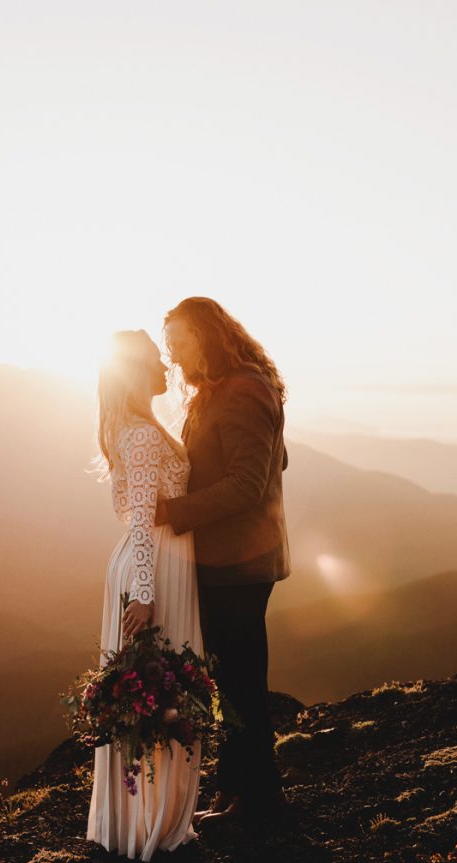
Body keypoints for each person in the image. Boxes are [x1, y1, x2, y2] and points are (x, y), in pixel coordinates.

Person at [156, 296, 291, 824]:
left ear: (207, 337)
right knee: (231, 677)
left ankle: (257, 799)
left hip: (241, 562)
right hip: (228, 558)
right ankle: (237, 789)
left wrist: (172, 510)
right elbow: (276, 458)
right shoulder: (223, 390)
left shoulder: (241, 392)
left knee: (240, 680)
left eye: (179, 342)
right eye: (168, 345)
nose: (173, 355)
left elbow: (247, 483)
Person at [86, 329, 203, 861]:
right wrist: (146, 594)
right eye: (156, 359)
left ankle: (146, 818)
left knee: (157, 696)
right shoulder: (140, 435)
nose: (165, 365)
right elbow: (139, 521)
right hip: (151, 567)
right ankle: (149, 827)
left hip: (151, 564)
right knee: (158, 694)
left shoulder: (137, 429)